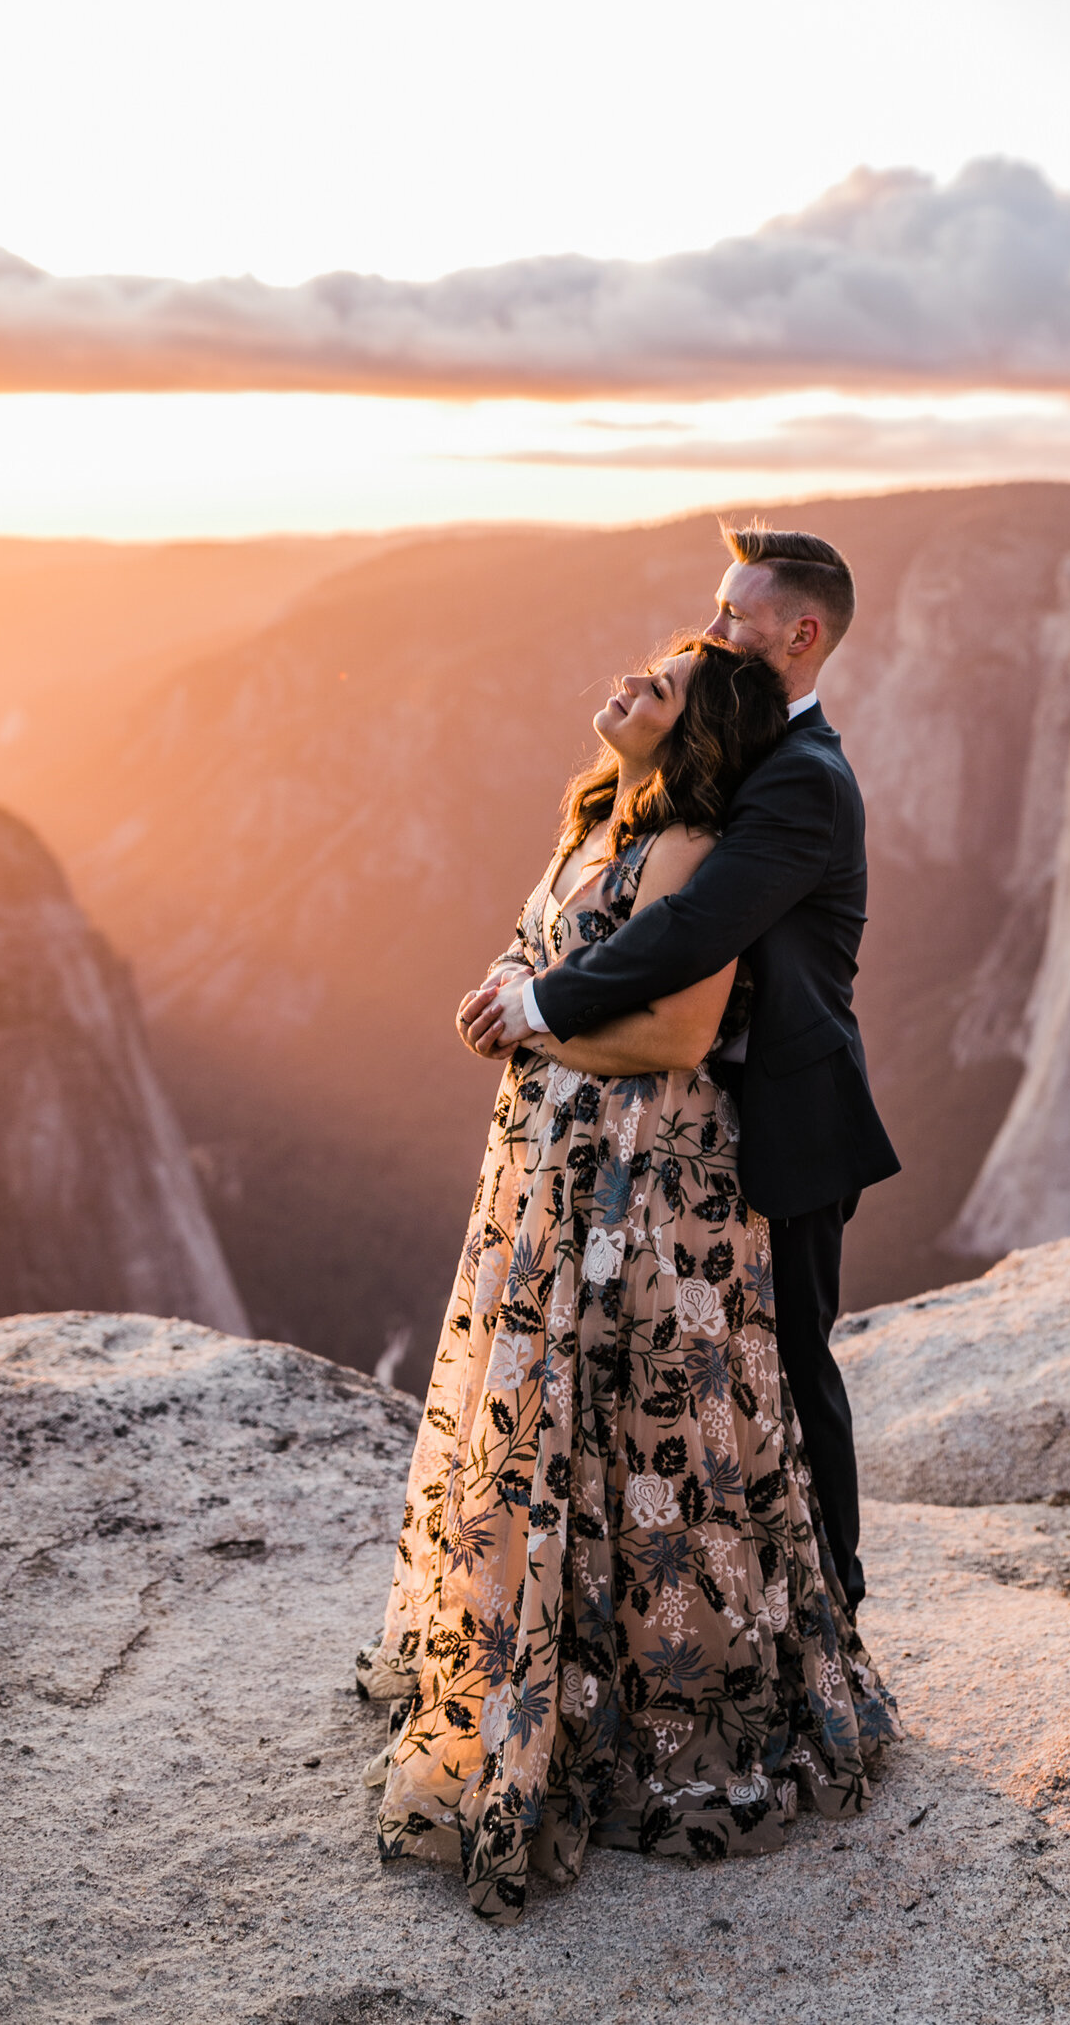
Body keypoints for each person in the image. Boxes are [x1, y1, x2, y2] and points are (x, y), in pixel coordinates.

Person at [357, 632, 898, 1923]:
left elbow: (678, 1029)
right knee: (549, 1417)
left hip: (648, 1186)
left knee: (646, 1432)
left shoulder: (693, 851)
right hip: (555, 1171)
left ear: (691, 729)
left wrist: (537, 1026)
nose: (621, 681)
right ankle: (532, 1659)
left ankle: (647, 1707)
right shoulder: (594, 823)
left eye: (653, 685)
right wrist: (501, 991)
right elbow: (533, 951)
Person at [467, 525, 899, 1613]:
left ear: (800, 636)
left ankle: (829, 1609)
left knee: (793, 1375)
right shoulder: (757, 752)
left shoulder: (805, 780)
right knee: (722, 1379)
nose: (708, 634)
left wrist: (537, 1005)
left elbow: (696, 926)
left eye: (733, 620)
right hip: (688, 1139)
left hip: (784, 1123)